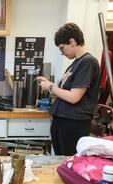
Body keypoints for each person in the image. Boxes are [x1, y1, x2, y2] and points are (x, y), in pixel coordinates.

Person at [36, 23, 100, 156]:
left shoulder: (88, 62)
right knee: (60, 160)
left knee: (68, 162)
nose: (62, 53)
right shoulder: (76, 63)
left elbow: (73, 97)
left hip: (74, 123)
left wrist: (51, 87)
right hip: (63, 120)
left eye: (62, 48)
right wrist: (50, 84)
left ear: (72, 41)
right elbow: (66, 92)